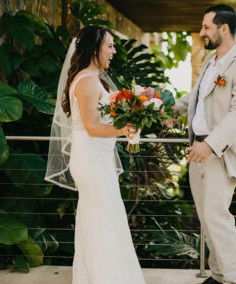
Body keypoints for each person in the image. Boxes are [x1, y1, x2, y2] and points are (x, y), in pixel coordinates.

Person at [45, 25, 145, 284]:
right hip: (91, 161)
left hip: (95, 159)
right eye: (109, 46)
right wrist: (123, 129)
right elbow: (91, 127)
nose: (113, 51)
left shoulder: (91, 77)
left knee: (99, 218)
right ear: (94, 49)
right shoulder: (88, 81)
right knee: (104, 219)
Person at [174, 5, 236, 284]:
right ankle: (219, 275)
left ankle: (232, 279)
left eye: (206, 27)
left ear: (224, 28)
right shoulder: (211, 61)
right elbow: (194, 99)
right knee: (206, 219)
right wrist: (168, 109)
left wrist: (209, 145)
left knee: (217, 219)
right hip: (198, 150)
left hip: (218, 155)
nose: (202, 32)